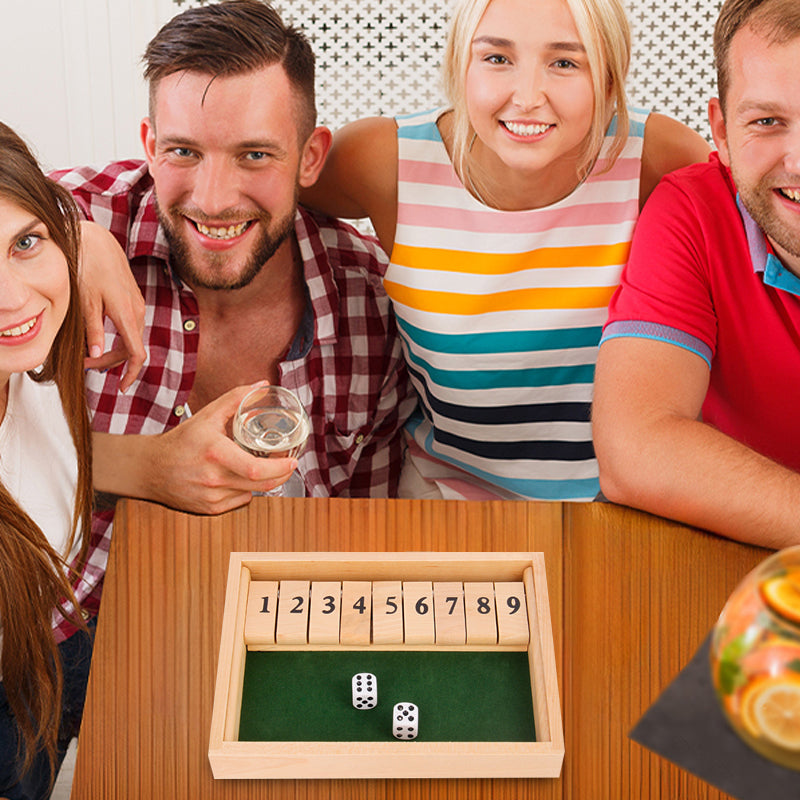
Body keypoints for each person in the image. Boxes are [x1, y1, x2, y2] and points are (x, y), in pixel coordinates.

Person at [301, 0, 710, 501]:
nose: (527, 97)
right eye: (497, 58)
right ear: (460, 65)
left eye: (564, 62)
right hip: (445, 493)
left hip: (628, 502)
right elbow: (262, 200)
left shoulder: (660, 158)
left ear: (608, 78)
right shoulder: (385, 159)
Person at [54, 0, 416, 526]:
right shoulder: (59, 227)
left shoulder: (373, 302)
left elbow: (364, 534)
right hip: (70, 607)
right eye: (183, 152)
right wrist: (55, 238)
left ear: (310, 157)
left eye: (255, 155)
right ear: (150, 147)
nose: (215, 199)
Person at [593, 0, 800, 547]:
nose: (798, 160)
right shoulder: (692, 212)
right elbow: (633, 446)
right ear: (723, 133)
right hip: (727, 558)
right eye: (767, 122)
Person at [0, 122, 100, 798]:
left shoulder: (30, 370)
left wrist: (95, 245)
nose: (13, 298)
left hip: (41, 651)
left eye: (23, 244)